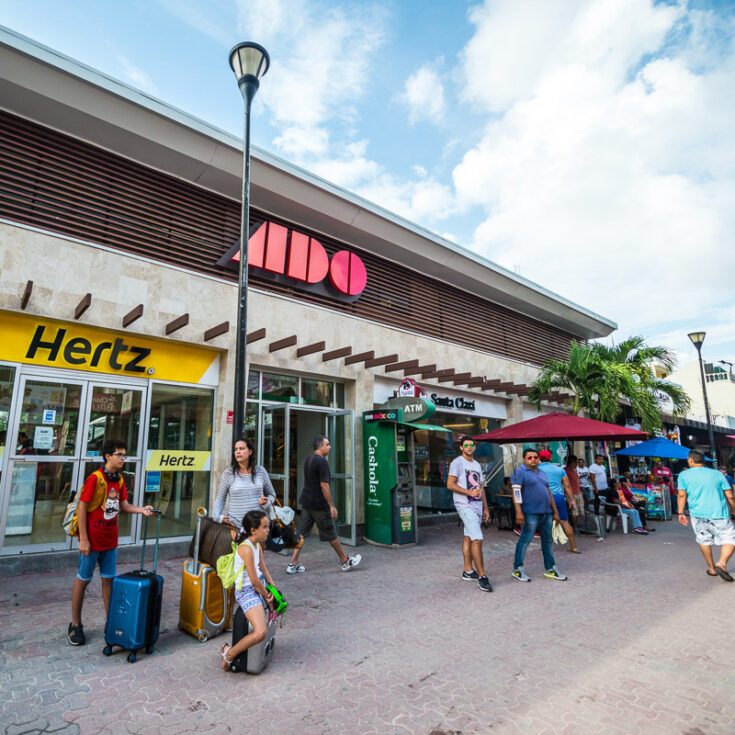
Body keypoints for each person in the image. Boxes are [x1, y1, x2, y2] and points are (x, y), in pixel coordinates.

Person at [68, 440, 154, 646]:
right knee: (83, 580)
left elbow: (123, 505)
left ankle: (111, 621)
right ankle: (75, 624)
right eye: (120, 454)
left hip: (110, 542)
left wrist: (141, 510)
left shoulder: (120, 480)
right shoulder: (95, 479)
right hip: (92, 542)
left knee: (109, 581)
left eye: (125, 455)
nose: (123, 458)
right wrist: (85, 540)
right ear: (108, 456)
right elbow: (82, 508)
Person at [288, 435, 361, 573]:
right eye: (327, 444)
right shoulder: (322, 462)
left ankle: (293, 563)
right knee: (330, 533)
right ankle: (345, 561)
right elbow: (324, 485)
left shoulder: (309, 458)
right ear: (320, 447)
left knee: (302, 534)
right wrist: (332, 506)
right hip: (318, 504)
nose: (330, 447)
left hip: (306, 501)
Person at [219, 509, 276, 670]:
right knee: (260, 632)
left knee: (272, 616)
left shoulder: (258, 545)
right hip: (247, 592)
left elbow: (263, 569)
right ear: (253, 530)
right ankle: (229, 654)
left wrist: (274, 590)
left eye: (268, 526)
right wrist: (267, 595)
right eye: (264, 527)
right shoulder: (246, 549)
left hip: (259, 587)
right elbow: (254, 580)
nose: (268, 530)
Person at [677, 450, 735, 581]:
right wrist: (733, 509)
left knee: (704, 539)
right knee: (730, 539)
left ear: (691, 460)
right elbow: (730, 495)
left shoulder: (683, 475)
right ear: (703, 460)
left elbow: (681, 494)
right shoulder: (718, 474)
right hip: (719, 513)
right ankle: (722, 562)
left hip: (698, 515)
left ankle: (712, 568)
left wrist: (680, 513)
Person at [510, 448, 567, 582]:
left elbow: (548, 492)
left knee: (547, 541)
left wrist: (555, 512)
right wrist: (518, 512)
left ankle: (550, 568)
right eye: (530, 457)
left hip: (546, 512)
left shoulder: (542, 472)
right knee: (525, 540)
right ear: (524, 459)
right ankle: (518, 569)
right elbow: (516, 493)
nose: (533, 459)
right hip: (530, 512)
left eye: (535, 457)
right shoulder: (520, 472)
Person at [446, 436, 492, 592]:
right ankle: (482, 576)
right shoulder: (457, 463)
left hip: (477, 506)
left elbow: (481, 487)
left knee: (468, 537)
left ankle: (468, 571)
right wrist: (468, 492)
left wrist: (486, 508)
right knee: (477, 539)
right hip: (464, 505)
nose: (470, 447)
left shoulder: (477, 465)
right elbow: (450, 484)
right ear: (461, 447)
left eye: (472, 445)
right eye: (466, 445)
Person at [214, 438, 276, 525]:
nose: (238, 452)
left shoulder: (260, 471)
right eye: (236, 449)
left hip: (260, 526)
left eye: (241, 448)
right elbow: (220, 498)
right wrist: (217, 517)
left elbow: (272, 493)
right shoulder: (229, 473)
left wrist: (267, 502)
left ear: (250, 452)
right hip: (237, 527)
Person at [538, 450, 580, 553]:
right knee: (564, 522)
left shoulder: (536, 470)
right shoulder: (559, 469)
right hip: (558, 497)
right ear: (550, 458)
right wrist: (572, 500)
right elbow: (567, 486)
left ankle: (545, 547)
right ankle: (573, 546)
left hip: (544, 498)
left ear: (539, 458)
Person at [565, 454, 585, 531]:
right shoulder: (565, 471)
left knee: (580, 511)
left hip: (578, 492)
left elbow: (577, 481)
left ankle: (576, 525)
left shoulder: (574, 470)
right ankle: (575, 527)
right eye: (575, 462)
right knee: (574, 511)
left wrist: (582, 489)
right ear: (571, 462)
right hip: (570, 494)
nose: (577, 464)